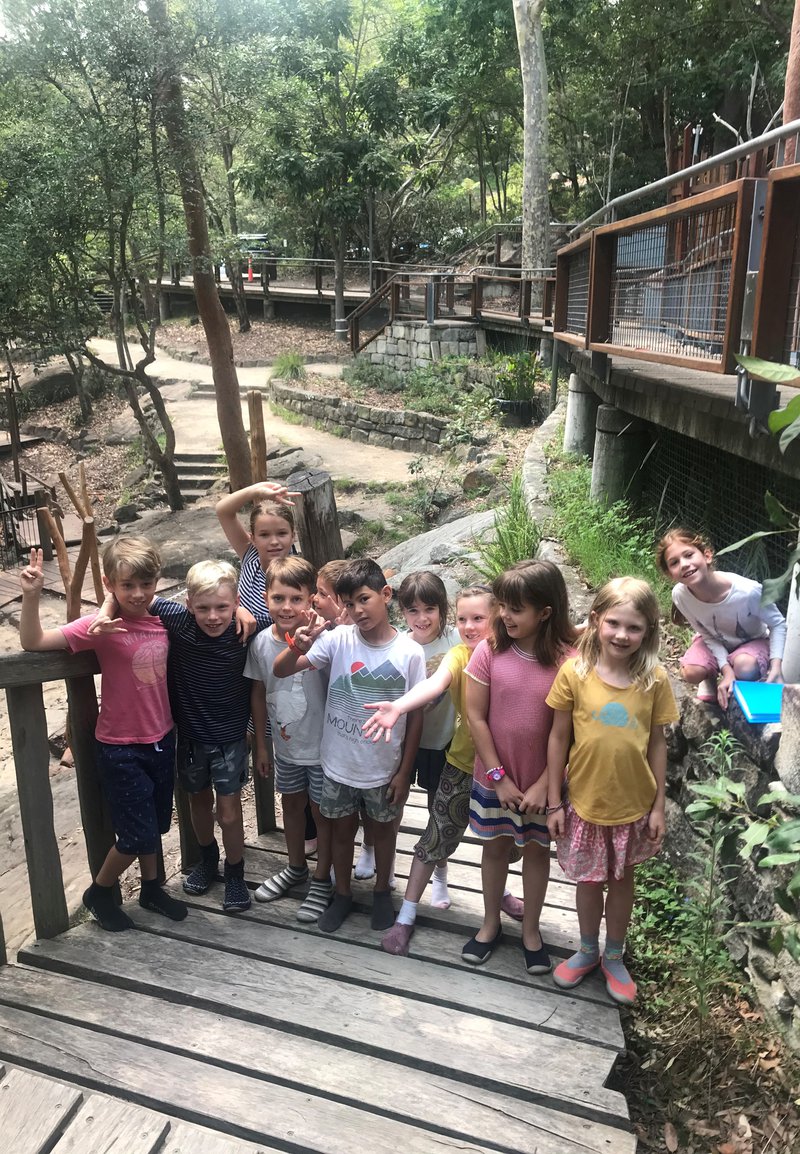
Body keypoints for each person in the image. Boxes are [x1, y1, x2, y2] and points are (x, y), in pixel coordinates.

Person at [18, 540, 187, 931]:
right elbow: (33, 642)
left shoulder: (162, 617)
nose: (138, 593)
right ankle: (99, 891)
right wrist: (31, 595)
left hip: (161, 738)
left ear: (156, 581)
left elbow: (205, 609)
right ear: (110, 584)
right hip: (120, 747)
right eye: (127, 586)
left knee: (155, 823)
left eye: (146, 584)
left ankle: (151, 888)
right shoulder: (99, 627)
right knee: (136, 833)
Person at [545, 577, 679, 1005]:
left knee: (622, 881)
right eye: (614, 624)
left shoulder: (654, 679)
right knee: (588, 882)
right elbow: (557, 738)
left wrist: (658, 807)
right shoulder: (574, 673)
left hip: (633, 805)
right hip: (584, 802)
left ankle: (614, 956)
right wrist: (553, 801)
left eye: (634, 627)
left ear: (648, 631)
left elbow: (657, 743)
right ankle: (587, 949)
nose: (622, 635)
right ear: (596, 620)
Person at [274, 558, 425, 934]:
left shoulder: (409, 653)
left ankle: (381, 891)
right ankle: (342, 893)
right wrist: (297, 645)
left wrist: (404, 773)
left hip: (383, 767)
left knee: (384, 832)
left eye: (364, 599)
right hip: (337, 765)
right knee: (340, 831)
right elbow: (281, 670)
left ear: (385, 594)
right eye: (349, 603)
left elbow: (416, 715)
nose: (358, 610)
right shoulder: (338, 640)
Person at [364, 586, 499, 956]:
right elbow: (434, 684)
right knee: (435, 833)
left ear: (497, 617)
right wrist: (399, 706)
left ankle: (500, 897)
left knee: (504, 843)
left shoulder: (513, 654)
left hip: (508, 770)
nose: (470, 627)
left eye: (479, 618)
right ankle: (406, 915)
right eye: (463, 619)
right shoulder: (458, 654)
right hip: (462, 762)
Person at [464, 560, 577, 974]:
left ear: (545, 612)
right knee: (494, 847)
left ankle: (531, 931)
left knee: (536, 851)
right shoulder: (489, 651)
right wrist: (499, 779)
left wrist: (547, 785)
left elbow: (571, 733)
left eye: (516, 609)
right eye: (502, 606)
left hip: (543, 784)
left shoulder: (568, 661)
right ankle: (490, 923)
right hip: (495, 779)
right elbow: (475, 716)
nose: (505, 615)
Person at [246, 557, 333, 923]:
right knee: (292, 805)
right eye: (278, 598)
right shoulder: (261, 643)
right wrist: (261, 745)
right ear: (266, 597)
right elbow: (258, 693)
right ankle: (295, 866)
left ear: (311, 599)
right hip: (286, 747)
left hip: (324, 748)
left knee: (322, 812)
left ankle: (323, 877)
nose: (286, 607)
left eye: (296, 599)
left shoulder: (325, 640)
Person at [656, 528, 786, 708]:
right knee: (691, 671)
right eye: (674, 562)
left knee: (745, 667)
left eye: (689, 555)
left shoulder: (748, 592)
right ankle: (711, 677)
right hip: (716, 640)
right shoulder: (680, 595)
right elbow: (706, 634)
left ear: (707, 556)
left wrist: (776, 667)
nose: (684, 564)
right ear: (670, 574)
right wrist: (726, 671)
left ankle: (743, 683)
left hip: (753, 641)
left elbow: (778, 624)